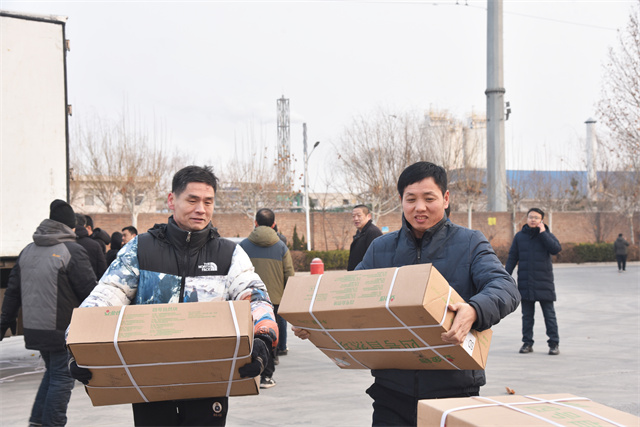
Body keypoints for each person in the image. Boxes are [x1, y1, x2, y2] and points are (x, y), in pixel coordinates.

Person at [294, 161, 520, 426]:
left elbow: (504, 287)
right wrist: (314, 321)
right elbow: (348, 297)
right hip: (391, 390)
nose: (419, 207)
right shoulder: (381, 248)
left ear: (446, 198)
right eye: (411, 199)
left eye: (429, 198)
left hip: (454, 390)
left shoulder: (470, 243)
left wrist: (475, 310)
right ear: (401, 200)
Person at [66, 166, 278, 427]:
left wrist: (263, 338)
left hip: (209, 379)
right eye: (192, 200)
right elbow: (107, 295)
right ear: (171, 200)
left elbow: (254, 295)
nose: (201, 209)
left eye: (208, 202)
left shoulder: (229, 254)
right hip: (150, 382)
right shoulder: (140, 249)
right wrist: (76, 344)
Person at [0, 199, 97, 426]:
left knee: (53, 373)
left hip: (35, 330)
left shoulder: (27, 251)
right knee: (62, 378)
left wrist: (4, 323)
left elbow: (12, 292)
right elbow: (90, 293)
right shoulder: (72, 250)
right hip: (63, 330)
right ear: (71, 226)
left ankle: (37, 422)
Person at [239, 208, 295, 389]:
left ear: (255, 223)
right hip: (275, 299)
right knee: (269, 335)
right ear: (274, 224)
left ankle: (248, 372)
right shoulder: (281, 247)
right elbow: (289, 275)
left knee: (250, 335)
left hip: (249, 299)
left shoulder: (243, 246)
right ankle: (267, 376)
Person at [505, 207, 562, 356]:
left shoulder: (547, 235)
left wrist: (543, 233)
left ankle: (554, 344)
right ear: (527, 218)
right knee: (527, 316)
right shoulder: (519, 237)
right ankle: (527, 343)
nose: (533, 220)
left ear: (541, 220)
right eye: (530, 217)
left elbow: (556, 249)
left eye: (536, 218)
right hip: (526, 284)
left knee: (549, 316)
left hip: (544, 284)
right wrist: (504, 276)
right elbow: (512, 257)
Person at [347, 204, 383, 271]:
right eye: (353, 216)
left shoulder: (373, 232)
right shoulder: (360, 232)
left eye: (359, 215)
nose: (356, 219)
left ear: (368, 216)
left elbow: (375, 259)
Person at [74, 213, 107, 279]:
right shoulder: (95, 245)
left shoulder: (65, 243)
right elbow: (102, 270)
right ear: (84, 225)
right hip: (92, 282)